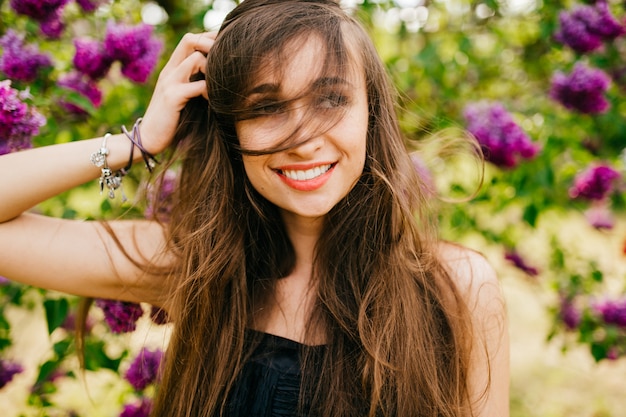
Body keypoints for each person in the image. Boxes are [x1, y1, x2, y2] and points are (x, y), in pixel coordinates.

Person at [0, 0, 509, 416]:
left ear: (371, 113)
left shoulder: (456, 289)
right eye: (266, 106)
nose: (303, 139)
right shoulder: (191, 266)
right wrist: (137, 142)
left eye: (331, 99)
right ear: (231, 130)